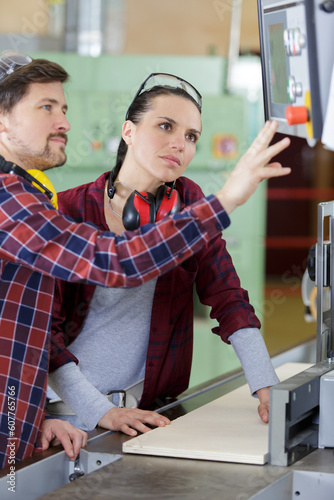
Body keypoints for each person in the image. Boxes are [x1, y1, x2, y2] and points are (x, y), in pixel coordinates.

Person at [0, 57, 289, 469]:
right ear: (128, 131)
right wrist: (226, 200)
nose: (179, 143)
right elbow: (116, 264)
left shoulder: (186, 206)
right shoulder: (54, 207)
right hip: (67, 411)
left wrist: (265, 381)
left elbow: (229, 298)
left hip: (140, 412)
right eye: (166, 126)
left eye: (192, 136)